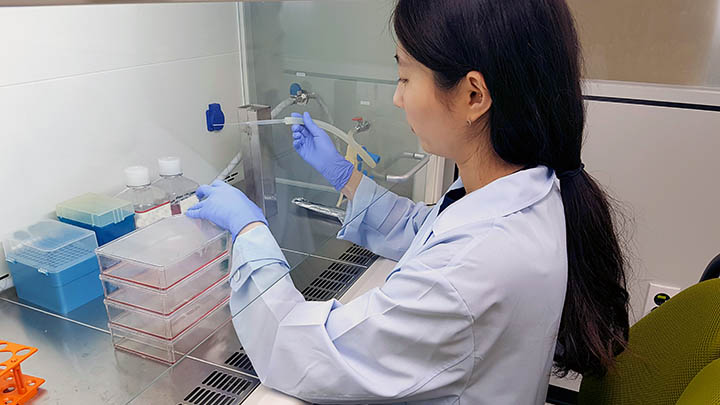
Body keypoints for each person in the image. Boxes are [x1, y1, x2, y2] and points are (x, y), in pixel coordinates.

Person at [186, 0, 630, 403]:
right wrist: (345, 177)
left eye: (404, 77)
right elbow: (428, 229)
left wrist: (248, 232)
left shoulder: (471, 271)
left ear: (473, 95)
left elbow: (295, 350)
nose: (397, 98)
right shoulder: (530, 189)